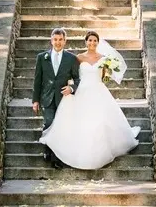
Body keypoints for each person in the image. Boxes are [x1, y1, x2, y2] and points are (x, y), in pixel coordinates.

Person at [39, 30, 140, 170]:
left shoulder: (104, 58)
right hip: (81, 91)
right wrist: (70, 87)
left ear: (98, 43)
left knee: (99, 121)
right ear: (85, 42)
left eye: (95, 41)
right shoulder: (79, 58)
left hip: (98, 91)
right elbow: (73, 75)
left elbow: (105, 77)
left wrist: (107, 72)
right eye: (90, 40)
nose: (92, 43)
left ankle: (99, 152)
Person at [31, 28, 79, 168]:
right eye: (55, 39)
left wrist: (71, 88)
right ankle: (48, 150)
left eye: (60, 40)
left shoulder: (71, 58)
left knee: (60, 126)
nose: (58, 42)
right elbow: (37, 80)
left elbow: (77, 78)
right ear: (51, 40)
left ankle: (56, 157)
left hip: (63, 99)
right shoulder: (42, 57)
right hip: (47, 97)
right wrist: (35, 100)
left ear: (65, 41)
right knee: (49, 123)